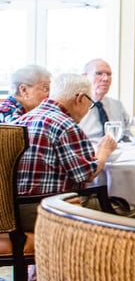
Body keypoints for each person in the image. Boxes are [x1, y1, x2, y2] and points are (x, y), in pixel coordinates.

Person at [13, 73, 117, 230]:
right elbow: (87, 174)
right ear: (80, 98)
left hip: (15, 213)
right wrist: (104, 151)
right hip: (52, 211)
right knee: (130, 212)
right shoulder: (66, 126)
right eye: (89, 104)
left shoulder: (20, 121)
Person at [77, 58, 132, 141]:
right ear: (84, 77)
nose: (106, 79)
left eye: (109, 74)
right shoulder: (75, 106)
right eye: (99, 73)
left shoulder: (117, 105)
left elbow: (127, 136)